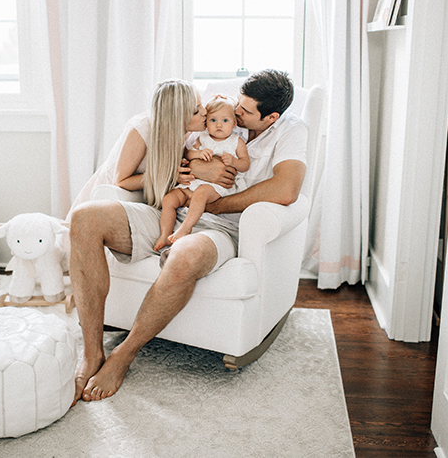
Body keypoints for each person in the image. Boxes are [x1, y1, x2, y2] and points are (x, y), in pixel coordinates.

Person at [69, 69, 307, 405]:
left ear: (270, 117)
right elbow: (177, 148)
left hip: (222, 226)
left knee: (185, 255)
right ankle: (92, 352)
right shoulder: (223, 113)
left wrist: (217, 202)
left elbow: (287, 189)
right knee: (85, 218)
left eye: (245, 112)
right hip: (173, 204)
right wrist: (196, 170)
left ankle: (123, 354)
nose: (235, 115)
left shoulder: (291, 130)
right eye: (236, 106)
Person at [59, 79, 207, 255]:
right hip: (113, 192)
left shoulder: (192, 128)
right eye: (197, 111)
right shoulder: (142, 128)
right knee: (73, 250)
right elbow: (121, 180)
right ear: (177, 117)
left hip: (151, 194)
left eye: (202, 105)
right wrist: (168, 176)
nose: (205, 112)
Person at [153, 94, 250, 251]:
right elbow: (189, 154)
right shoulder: (202, 137)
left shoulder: (236, 141)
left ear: (234, 123)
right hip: (194, 181)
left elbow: (245, 164)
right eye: (213, 120)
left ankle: (186, 227)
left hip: (216, 187)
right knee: (169, 199)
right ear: (206, 122)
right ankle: (165, 234)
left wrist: (234, 162)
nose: (219, 125)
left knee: (201, 193)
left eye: (225, 121)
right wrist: (197, 154)